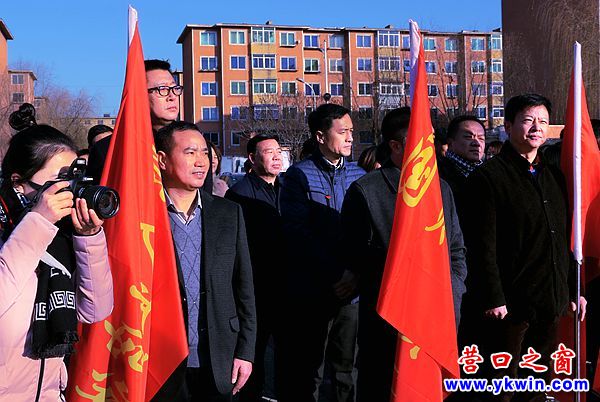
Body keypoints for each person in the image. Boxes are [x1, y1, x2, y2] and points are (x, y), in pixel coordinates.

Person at [461, 94, 587, 401]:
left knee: (536, 385)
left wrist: (574, 289)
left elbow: (565, 239)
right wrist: (493, 297)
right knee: (501, 386)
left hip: (548, 298)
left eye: (543, 121)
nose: (536, 128)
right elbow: (481, 245)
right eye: (528, 120)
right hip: (509, 305)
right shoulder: (487, 178)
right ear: (508, 126)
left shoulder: (554, 176)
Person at [341, 107, 467, 402]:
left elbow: (456, 249)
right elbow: (353, 255)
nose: (429, 146)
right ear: (396, 146)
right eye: (420, 139)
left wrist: (453, 289)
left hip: (436, 314)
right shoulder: (366, 190)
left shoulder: (441, 188)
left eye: (430, 139)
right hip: (389, 320)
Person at [0, 124, 113, 401]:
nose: (70, 189)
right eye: (60, 179)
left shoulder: (61, 238)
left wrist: (89, 238)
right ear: (18, 184)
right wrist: (38, 222)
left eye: (75, 177)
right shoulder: (14, 232)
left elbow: (95, 310)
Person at [151, 121, 256, 402]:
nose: (201, 161)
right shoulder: (145, 217)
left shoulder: (228, 212)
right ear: (162, 160)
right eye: (190, 152)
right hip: (159, 359)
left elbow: (244, 287)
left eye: (204, 153)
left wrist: (245, 351)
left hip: (219, 356)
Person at [278, 104, 364, 402]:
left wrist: (355, 274)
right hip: (313, 288)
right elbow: (297, 233)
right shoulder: (299, 176)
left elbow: (366, 233)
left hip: (352, 291)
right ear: (320, 136)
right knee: (309, 369)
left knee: (346, 369)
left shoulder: (358, 175)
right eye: (342, 132)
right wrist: (336, 273)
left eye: (351, 131)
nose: (350, 137)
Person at [225, 134, 284, 402]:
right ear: (252, 158)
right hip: (255, 286)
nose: (276, 156)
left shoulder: (289, 189)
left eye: (278, 151)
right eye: (269, 151)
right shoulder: (239, 194)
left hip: (288, 284)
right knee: (255, 353)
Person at [438, 115, 486, 206]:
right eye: (468, 137)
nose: (476, 143)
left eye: (481, 138)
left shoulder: (491, 172)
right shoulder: (438, 174)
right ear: (450, 143)